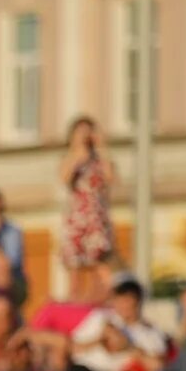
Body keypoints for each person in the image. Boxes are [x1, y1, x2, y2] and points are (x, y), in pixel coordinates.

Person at [58, 117, 117, 303]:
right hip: (77, 218)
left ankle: (93, 302)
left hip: (96, 219)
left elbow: (111, 178)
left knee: (96, 266)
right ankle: (74, 304)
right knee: (75, 268)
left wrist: (101, 147)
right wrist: (78, 153)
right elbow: (65, 178)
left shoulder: (99, 160)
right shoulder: (69, 159)